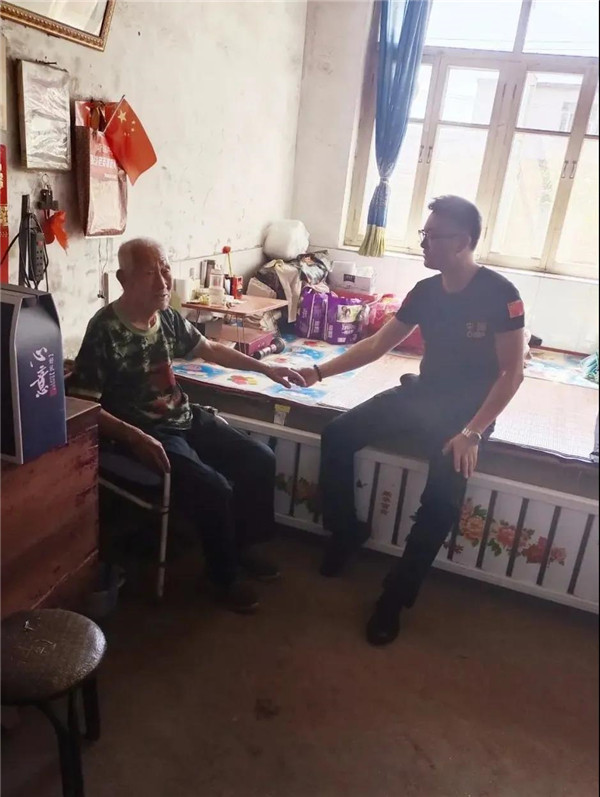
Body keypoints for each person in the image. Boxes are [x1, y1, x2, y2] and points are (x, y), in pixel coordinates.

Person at [299, 196, 525, 646]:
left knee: (441, 502)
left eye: (432, 236)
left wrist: (472, 433)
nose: (423, 242)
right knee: (338, 433)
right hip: (423, 395)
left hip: (467, 416)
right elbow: (376, 345)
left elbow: (512, 373)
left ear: (462, 242)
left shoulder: (501, 295)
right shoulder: (425, 292)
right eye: (424, 234)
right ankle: (347, 531)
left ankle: (394, 598)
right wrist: (318, 372)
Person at [69, 238, 305, 614]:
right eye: (149, 273)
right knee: (213, 486)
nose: (163, 281)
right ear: (123, 279)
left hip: (183, 415)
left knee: (259, 458)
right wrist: (133, 436)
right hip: (144, 432)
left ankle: (241, 547)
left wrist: (266, 369)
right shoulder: (105, 330)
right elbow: (83, 404)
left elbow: (209, 349)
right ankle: (222, 578)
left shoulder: (166, 316)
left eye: (165, 269)